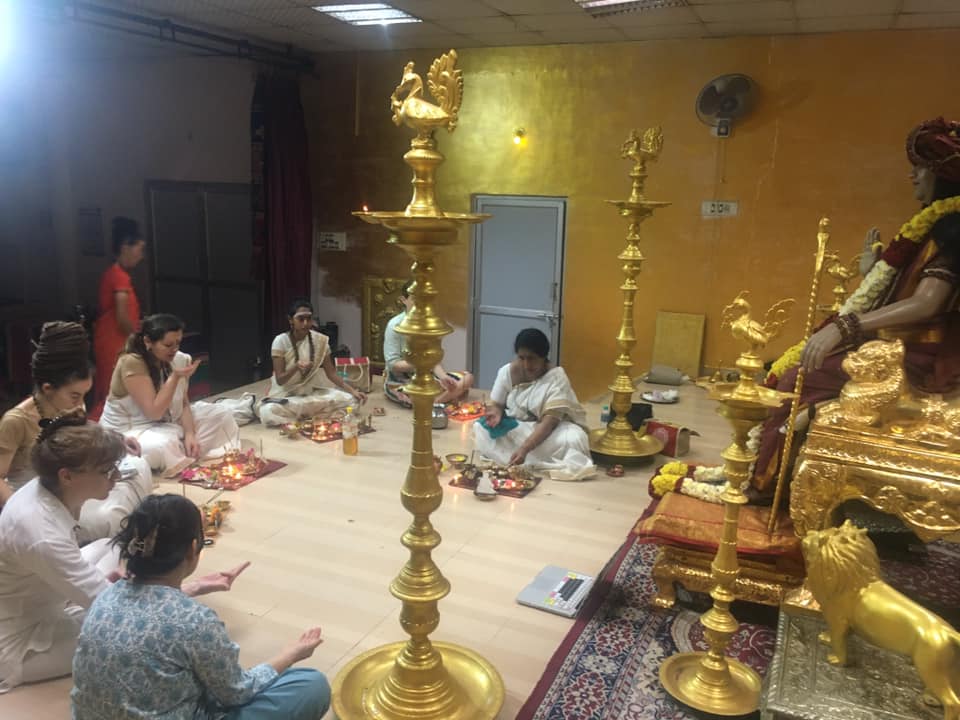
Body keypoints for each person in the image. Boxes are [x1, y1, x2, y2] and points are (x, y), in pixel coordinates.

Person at [754, 116, 960, 493]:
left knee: (798, 379)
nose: (912, 176)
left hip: (916, 358)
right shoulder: (931, 227)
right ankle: (780, 473)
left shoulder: (952, 231)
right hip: (892, 347)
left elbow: (927, 303)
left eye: (920, 168)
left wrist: (846, 326)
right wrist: (873, 272)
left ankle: (769, 485)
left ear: (943, 175)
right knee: (794, 370)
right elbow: (909, 294)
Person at [0, 416, 249, 693]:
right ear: (67, 476)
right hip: (18, 641)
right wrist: (191, 588)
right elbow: (118, 614)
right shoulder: (41, 532)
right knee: (137, 635)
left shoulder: (47, 489)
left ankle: (93, 598)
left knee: (110, 545)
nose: (116, 477)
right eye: (107, 471)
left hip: (47, 598)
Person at [72, 494, 330, 720]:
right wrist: (290, 655)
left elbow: (149, 614)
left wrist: (195, 587)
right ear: (193, 548)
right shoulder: (195, 621)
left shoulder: (106, 597)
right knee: (310, 685)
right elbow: (237, 692)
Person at [0, 321, 152, 544]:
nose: (80, 403)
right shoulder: (16, 421)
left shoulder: (72, 406)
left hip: (75, 487)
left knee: (138, 466)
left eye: (84, 395)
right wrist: (21, 515)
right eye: (74, 395)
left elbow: (85, 432)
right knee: (109, 517)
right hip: (41, 502)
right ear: (47, 388)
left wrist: (118, 440)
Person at [99, 314, 240, 471]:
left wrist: (190, 433)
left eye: (178, 343)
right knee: (161, 446)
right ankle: (177, 451)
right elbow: (154, 413)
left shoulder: (179, 359)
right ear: (148, 341)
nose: (174, 349)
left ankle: (182, 449)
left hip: (167, 424)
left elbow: (183, 404)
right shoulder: (132, 362)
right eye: (168, 345)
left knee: (221, 416)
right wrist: (175, 377)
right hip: (132, 431)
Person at [474, 328, 596, 481]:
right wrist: (496, 414)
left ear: (543, 357)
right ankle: (526, 457)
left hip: (550, 430)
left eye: (531, 358)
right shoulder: (507, 372)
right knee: (480, 427)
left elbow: (550, 422)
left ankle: (524, 457)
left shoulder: (556, 378)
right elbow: (496, 404)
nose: (526, 364)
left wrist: (525, 448)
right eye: (521, 358)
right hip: (520, 427)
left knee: (574, 439)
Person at [258, 299, 365, 426]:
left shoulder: (320, 341)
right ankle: (313, 417)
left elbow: (331, 374)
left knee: (351, 400)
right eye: (301, 319)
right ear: (290, 320)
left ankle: (304, 418)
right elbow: (280, 380)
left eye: (308, 319)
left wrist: (353, 391)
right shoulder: (280, 341)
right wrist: (296, 367)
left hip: (310, 393)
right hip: (287, 396)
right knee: (268, 411)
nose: (305, 323)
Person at [383, 281, 474, 408]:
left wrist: (443, 377)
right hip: (402, 378)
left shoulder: (429, 323)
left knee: (468, 378)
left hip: (428, 376)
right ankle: (444, 399)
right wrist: (421, 363)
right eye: (415, 299)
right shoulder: (395, 325)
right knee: (414, 396)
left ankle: (436, 402)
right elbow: (393, 364)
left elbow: (433, 359)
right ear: (404, 300)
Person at [91, 217, 146, 420]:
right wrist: (137, 340)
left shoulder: (118, 275)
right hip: (114, 342)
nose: (141, 256)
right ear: (125, 247)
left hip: (115, 340)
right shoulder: (118, 277)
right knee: (111, 391)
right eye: (139, 250)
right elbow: (122, 318)